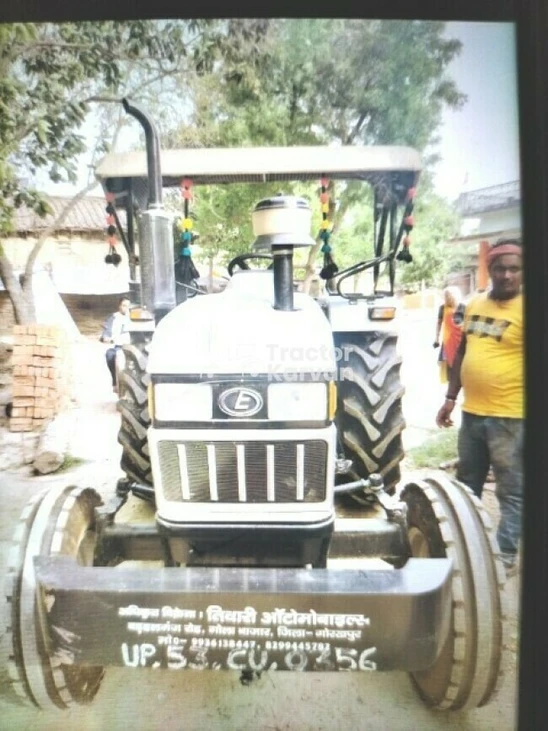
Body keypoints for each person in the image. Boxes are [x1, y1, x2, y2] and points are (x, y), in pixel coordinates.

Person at [436, 239, 523, 578]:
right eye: (500, 268)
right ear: (490, 269)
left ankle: (504, 556)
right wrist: (450, 397)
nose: (506, 275)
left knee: (511, 489)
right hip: (473, 414)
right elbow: (461, 353)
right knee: (466, 485)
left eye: (514, 269)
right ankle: (468, 551)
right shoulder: (473, 305)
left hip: (513, 418)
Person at [434, 286, 464, 384]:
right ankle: (452, 387)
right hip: (448, 343)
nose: (447, 297)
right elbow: (439, 323)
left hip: (461, 343)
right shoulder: (442, 308)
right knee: (450, 367)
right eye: (446, 296)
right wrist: (436, 338)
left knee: (461, 365)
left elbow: (468, 324)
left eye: (449, 295)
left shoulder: (463, 307)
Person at [100, 296, 131, 392]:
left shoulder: (134, 316)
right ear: (119, 306)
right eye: (124, 305)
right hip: (119, 346)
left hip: (131, 346)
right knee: (110, 355)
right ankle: (114, 380)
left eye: (128, 306)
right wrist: (106, 338)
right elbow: (106, 333)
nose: (126, 308)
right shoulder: (113, 317)